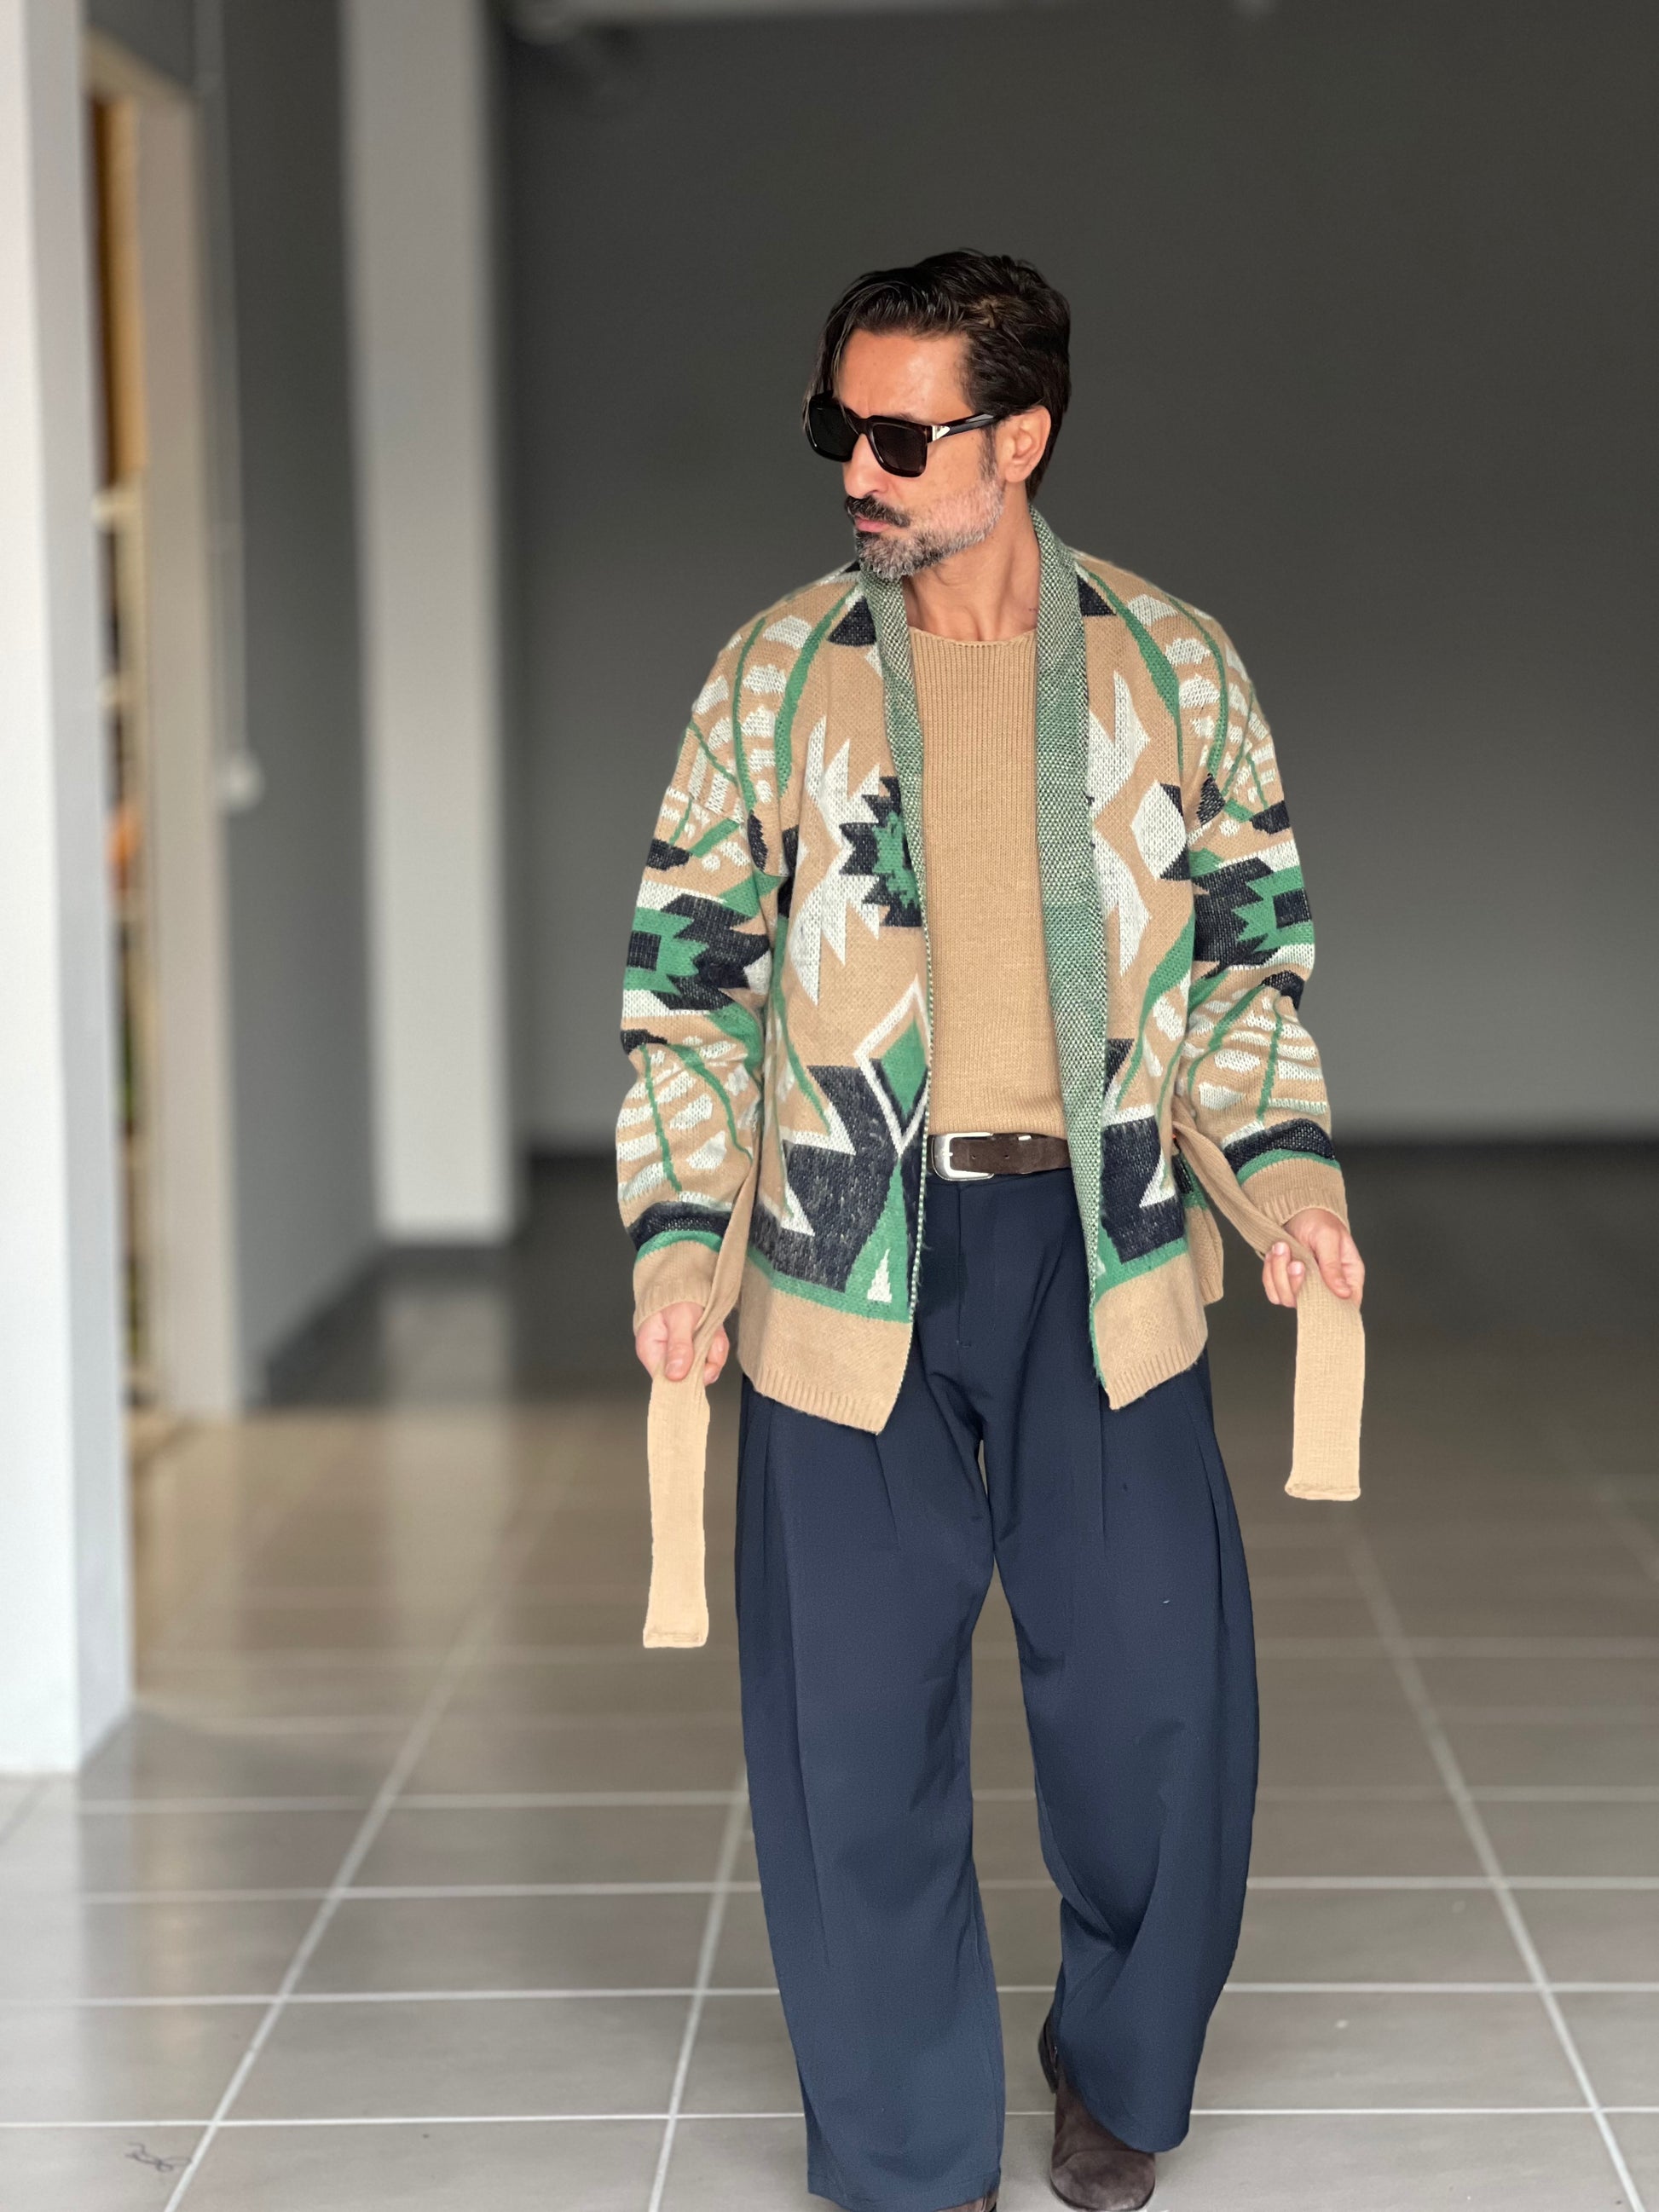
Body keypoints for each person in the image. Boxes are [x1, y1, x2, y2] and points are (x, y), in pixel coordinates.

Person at [616, 250, 1366, 2212]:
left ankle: (1116, 2059)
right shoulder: (773, 675)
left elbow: (1246, 963)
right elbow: (691, 983)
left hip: (1101, 1253)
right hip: (837, 1258)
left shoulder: (1172, 663)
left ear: (1017, 436)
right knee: (850, 1737)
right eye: (833, 426)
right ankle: (904, 2146)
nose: (852, 470)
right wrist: (681, 1239)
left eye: (897, 433)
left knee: (1157, 1706)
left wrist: (1286, 1185)